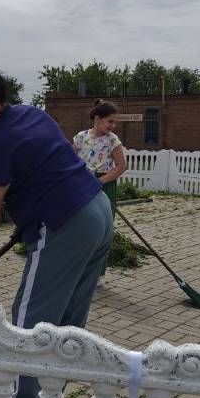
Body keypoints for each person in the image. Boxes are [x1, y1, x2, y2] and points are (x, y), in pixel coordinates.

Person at [0, 67, 114, 398]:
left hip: (64, 223)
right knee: (66, 321)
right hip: (98, 211)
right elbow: (56, 160)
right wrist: (27, 214)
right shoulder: (31, 114)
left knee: (29, 320)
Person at [73, 100, 127, 282]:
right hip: (82, 185)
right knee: (82, 227)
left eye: (114, 122)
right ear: (97, 118)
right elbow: (71, 161)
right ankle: (79, 269)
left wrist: (99, 181)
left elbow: (121, 166)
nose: (113, 126)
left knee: (102, 230)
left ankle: (96, 274)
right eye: (110, 121)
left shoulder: (112, 140)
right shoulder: (81, 137)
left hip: (105, 185)